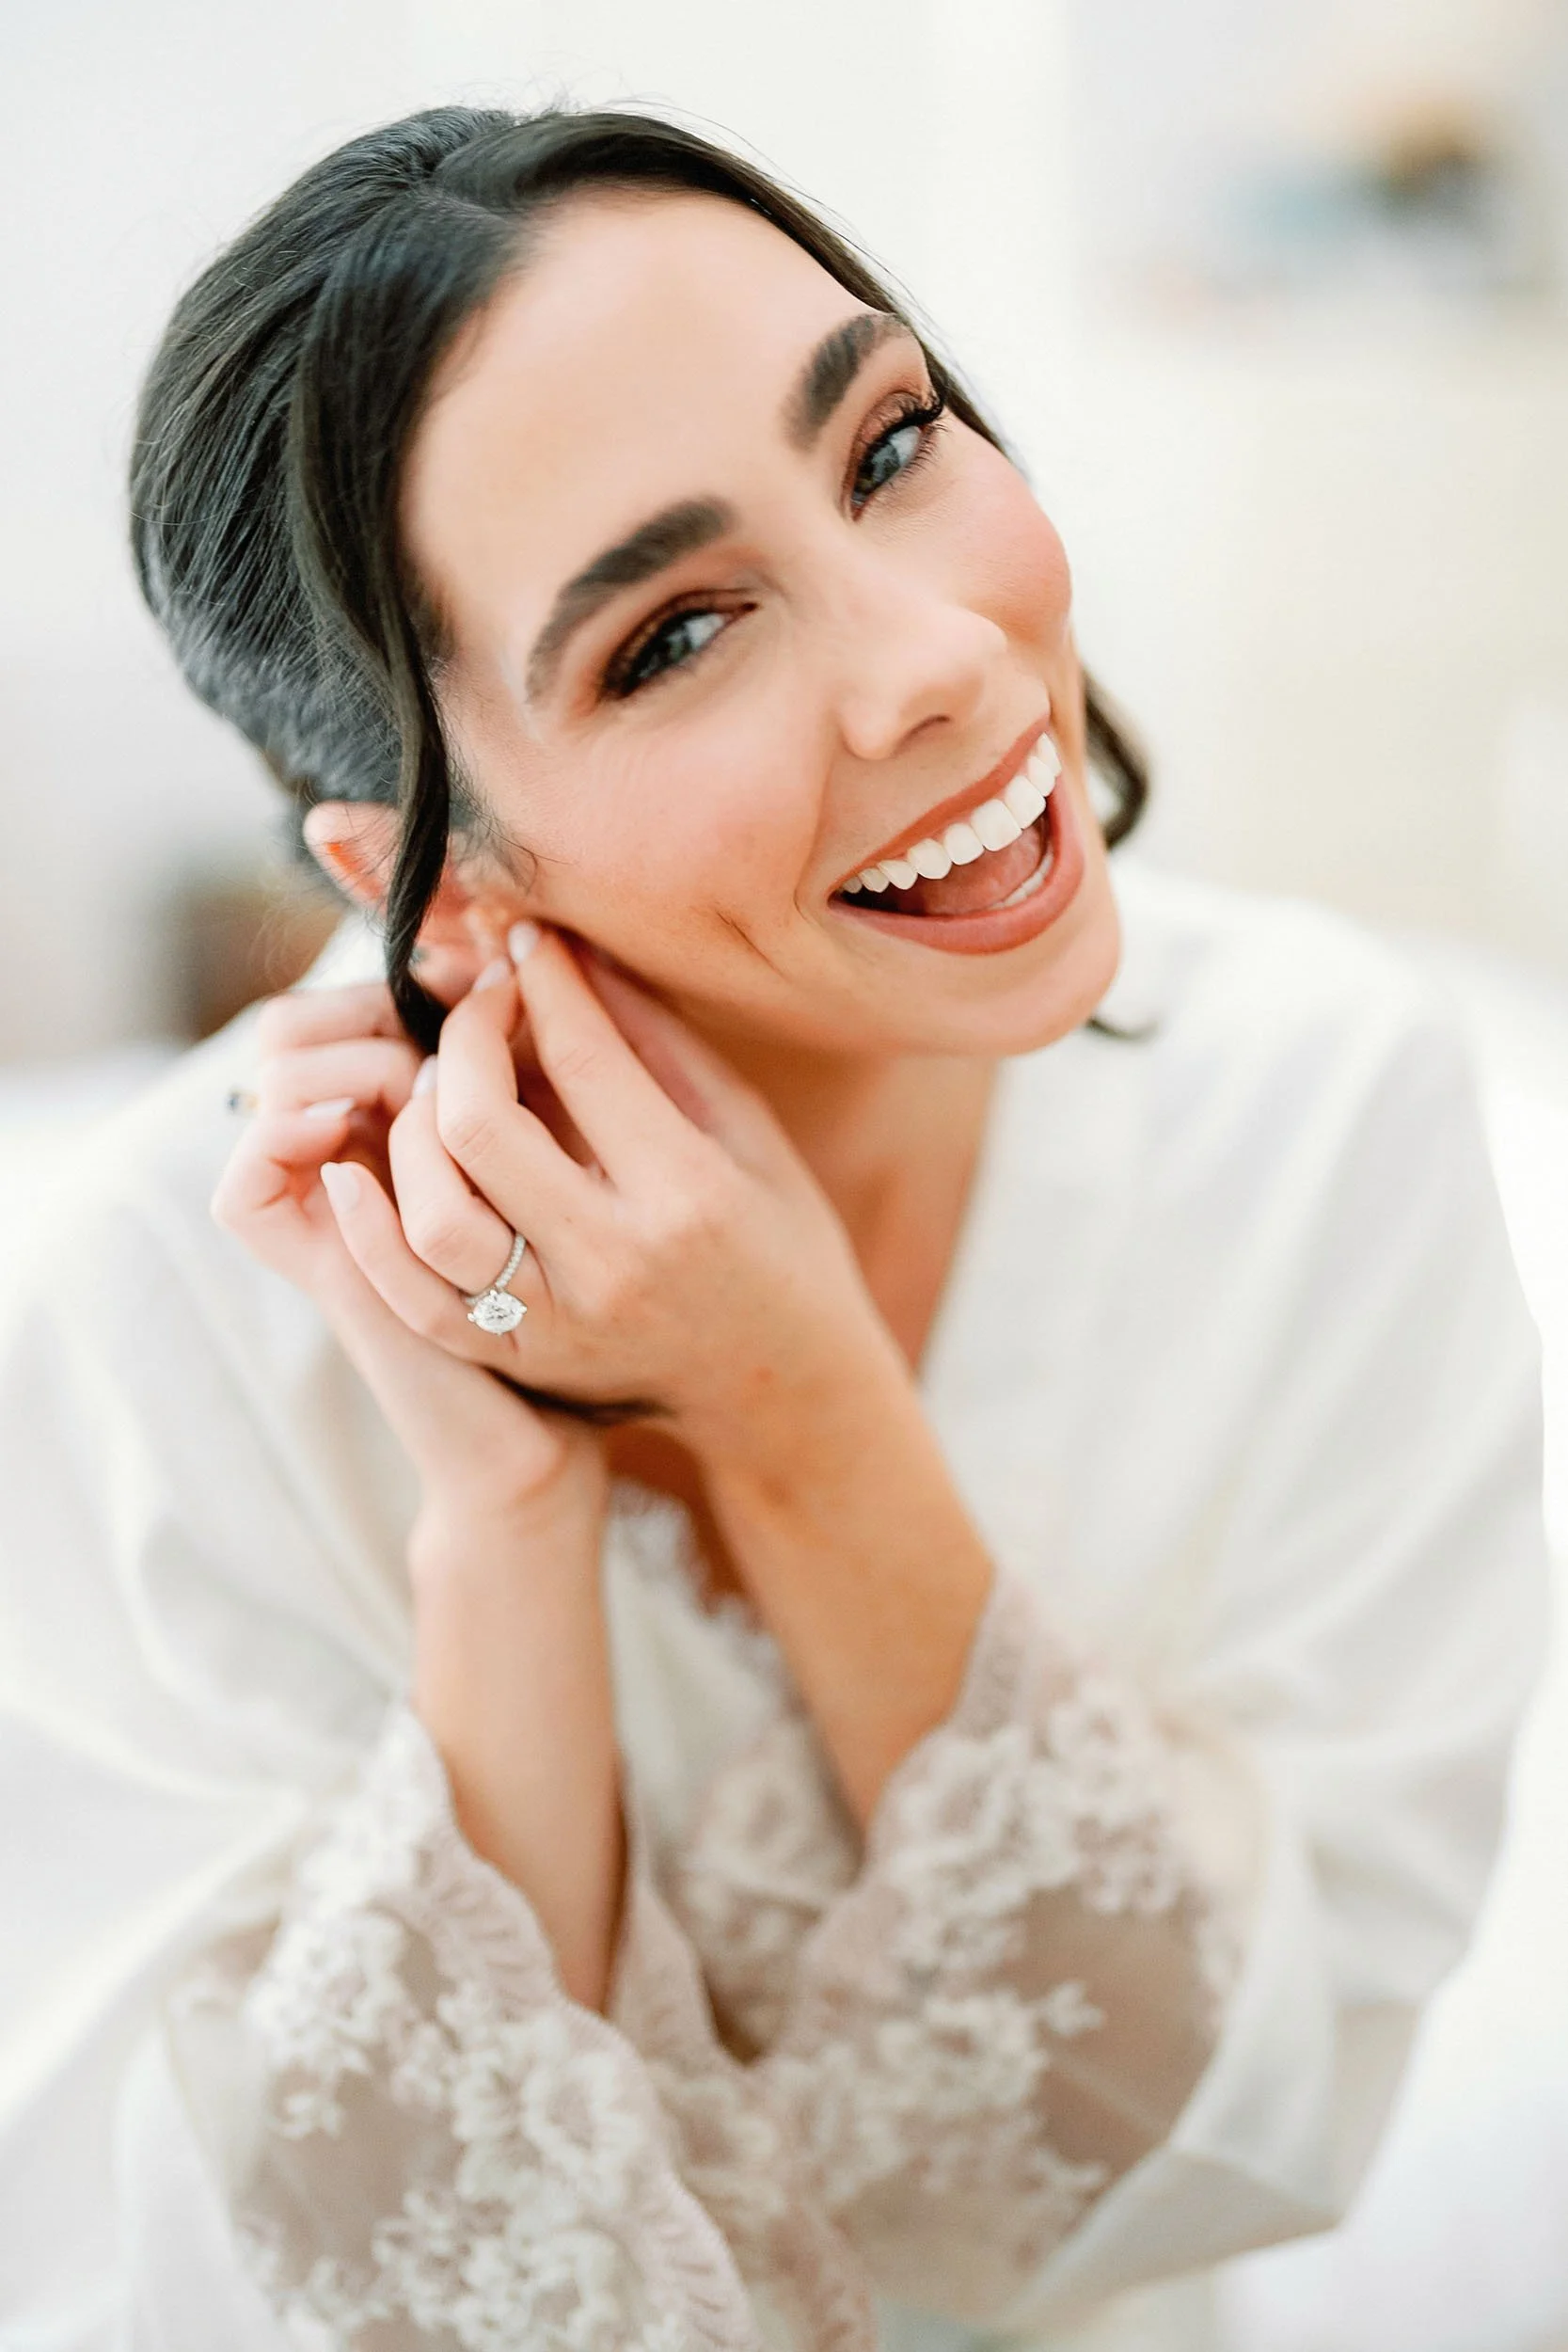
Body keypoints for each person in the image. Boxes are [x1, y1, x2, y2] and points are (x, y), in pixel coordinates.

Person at [0, 104, 1546, 2352]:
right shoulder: (147, 1310)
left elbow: (1239, 2129)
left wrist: (800, 1402)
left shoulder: (1321, 1108)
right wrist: (502, 1529)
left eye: (890, 443)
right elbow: (266, 2293)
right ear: (435, 872)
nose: (935, 657)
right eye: (677, 633)